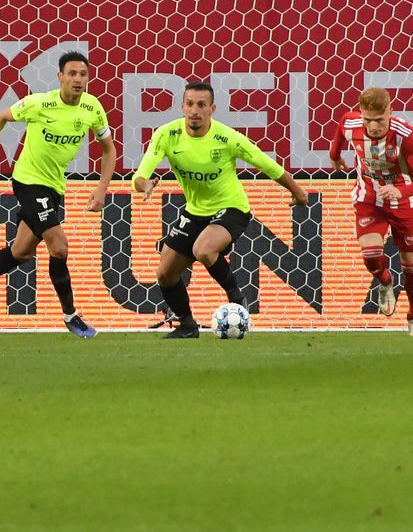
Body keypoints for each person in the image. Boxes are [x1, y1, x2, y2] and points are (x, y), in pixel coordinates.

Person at [0, 50, 116, 338]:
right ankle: (71, 315)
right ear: (60, 77)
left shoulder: (92, 108)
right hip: (27, 181)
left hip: (54, 187)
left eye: (83, 74)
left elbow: (109, 149)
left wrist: (101, 190)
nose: (78, 79)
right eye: (72, 73)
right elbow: (0, 116)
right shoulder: (40, 103)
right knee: (59, 246)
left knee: (21, 252)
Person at [132, 81, 309, 339]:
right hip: (195, 211)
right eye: (190, 104)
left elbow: (266, 164)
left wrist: (298, 192)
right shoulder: (166, 135)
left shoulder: (228, 138)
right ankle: (188, 325)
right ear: (181, 106)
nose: (195, 110)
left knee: (203, 249)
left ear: (212, 108)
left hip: (232, 207)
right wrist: (144, 184)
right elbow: (140, 175)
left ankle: (236, 297)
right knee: (165, 273)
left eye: (201, 105)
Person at [329, 86, 413, 337]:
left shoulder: (405, 135)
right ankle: (385, 280)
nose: (373, 126)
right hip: (369, 198)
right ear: (361, 114)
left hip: (403, 200)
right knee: (371, 254)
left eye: (379, 120)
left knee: (411, 263)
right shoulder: (351, 123)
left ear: (390, 111)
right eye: (368, 120)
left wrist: (402, 192)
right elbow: (340, 132)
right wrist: (334, 156)